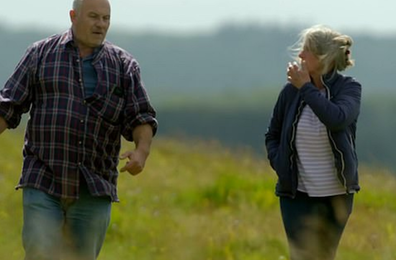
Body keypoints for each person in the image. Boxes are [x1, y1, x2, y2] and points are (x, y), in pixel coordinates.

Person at [0, 0, 157, 259]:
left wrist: (142, 151)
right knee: (40, 251)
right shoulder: (40, 54)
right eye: (94, 16)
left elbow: (141, 116)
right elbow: (8, 106)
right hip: (43, 176)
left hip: (94, 184)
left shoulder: (124, 65)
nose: (101, 24)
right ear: (73, 16)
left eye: (106, 18)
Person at [265, 25, 361, 260]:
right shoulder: (290, 92)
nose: (300, 56)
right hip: (295, 194)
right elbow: (272, 134)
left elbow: (336, 119)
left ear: (323, 57)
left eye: (306, 50)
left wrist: (306, 88)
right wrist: (280, 164)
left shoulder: (349, 89)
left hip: (336, 195)